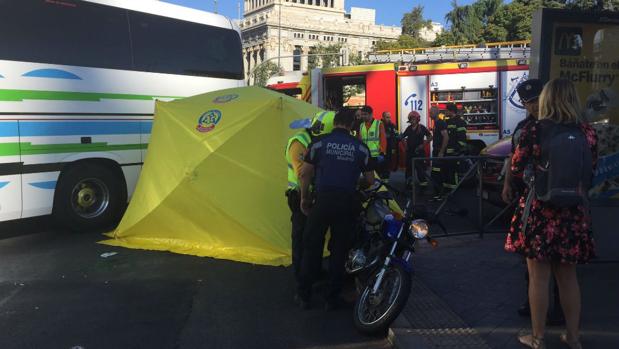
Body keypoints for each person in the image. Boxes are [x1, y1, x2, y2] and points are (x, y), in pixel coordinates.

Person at [505, 78, 597, 349]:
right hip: (574, 213)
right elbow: (590, 169)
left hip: (541, 211)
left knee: (539, 277)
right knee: (568, 278)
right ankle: (573, 337)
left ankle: (537, 338)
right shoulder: (587, 132)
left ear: (546, 99)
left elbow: (518, 167)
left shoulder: (535, 130)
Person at [297, 108, 374, 310]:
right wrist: (355, 184)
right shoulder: (361, 147)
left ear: (336, 122)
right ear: (351, 125)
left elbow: (304, 174)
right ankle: (332, 298)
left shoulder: (319, 143)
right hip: (346, 203)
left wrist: (304, 198)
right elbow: (370, 180)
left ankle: (304, 295)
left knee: (311, 246)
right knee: (339, 250)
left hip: (322, 201)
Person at [502, 79, 563, 323]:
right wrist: (507, 183)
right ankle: (532, 303)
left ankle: (556, 310)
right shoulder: (523, 127)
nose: (533, 106)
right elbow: (512, 158)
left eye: (536, 100)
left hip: (549, 201)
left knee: (557, 261)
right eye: (528, 102)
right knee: (531, 260)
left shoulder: (551, 127)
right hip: (527, 197)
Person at [285, 111, 335, 283]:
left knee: (317, 237)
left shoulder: (319, 141)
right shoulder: (299, 142)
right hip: (300, 196)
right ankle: (300, 278)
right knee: (301, 238)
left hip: (317, 195)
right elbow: (302, 173)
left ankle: (315, 272)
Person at [401, 111, 432, 190]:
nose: (412, 120)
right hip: (410, 153)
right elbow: (402, 137)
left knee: (420, 170)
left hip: (419, 153)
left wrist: (423, 145)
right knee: (409, 170)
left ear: (417, 119)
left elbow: (430, 137)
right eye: (411, 119)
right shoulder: (409, 128)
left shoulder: (422, 128)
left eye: (414, 119)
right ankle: (409, 185)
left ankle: (423, 186)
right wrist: (405, 145)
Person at [442, 103, 466, 191]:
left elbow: (462, 139)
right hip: (447, 152)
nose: (445, 112)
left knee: (453, 172)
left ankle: (453, 191)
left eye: (446, 110)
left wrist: (456, 150)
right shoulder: (448, 121)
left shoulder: (460, 122)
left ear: (451, 111)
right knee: (446, 171)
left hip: (454, 153)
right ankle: (446, 189)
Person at [357, 105, 387, 171]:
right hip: (365, 155)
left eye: (365, 114)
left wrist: (382, 152)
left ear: (371, 114)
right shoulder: (361, 125)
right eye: (362, 114)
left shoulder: (379, 124)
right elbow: (360, 140)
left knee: (376, 175)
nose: (363, 116)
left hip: (375, 156)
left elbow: (383, 139)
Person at [429, 106, 449, 200]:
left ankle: (439, 194)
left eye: (431, 112)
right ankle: (437, 194)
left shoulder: (440, 123)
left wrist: (441, 151)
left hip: (438, 151)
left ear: (437, 112)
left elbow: (446, 137)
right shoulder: (436, 123)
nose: (430, 114)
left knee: (437, 173)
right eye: (429, 112)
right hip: (436, 151)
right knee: (435, 173)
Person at [382, 111, 399, 179]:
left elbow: (397, 135)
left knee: (388, 163)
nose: (389, 119)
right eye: (387, 117)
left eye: (390, 117)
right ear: (383, 117)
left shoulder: (393, 126)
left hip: (390, 148)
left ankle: (386, 179)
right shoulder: (379, 125)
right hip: (381, 148)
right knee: (381, 163)